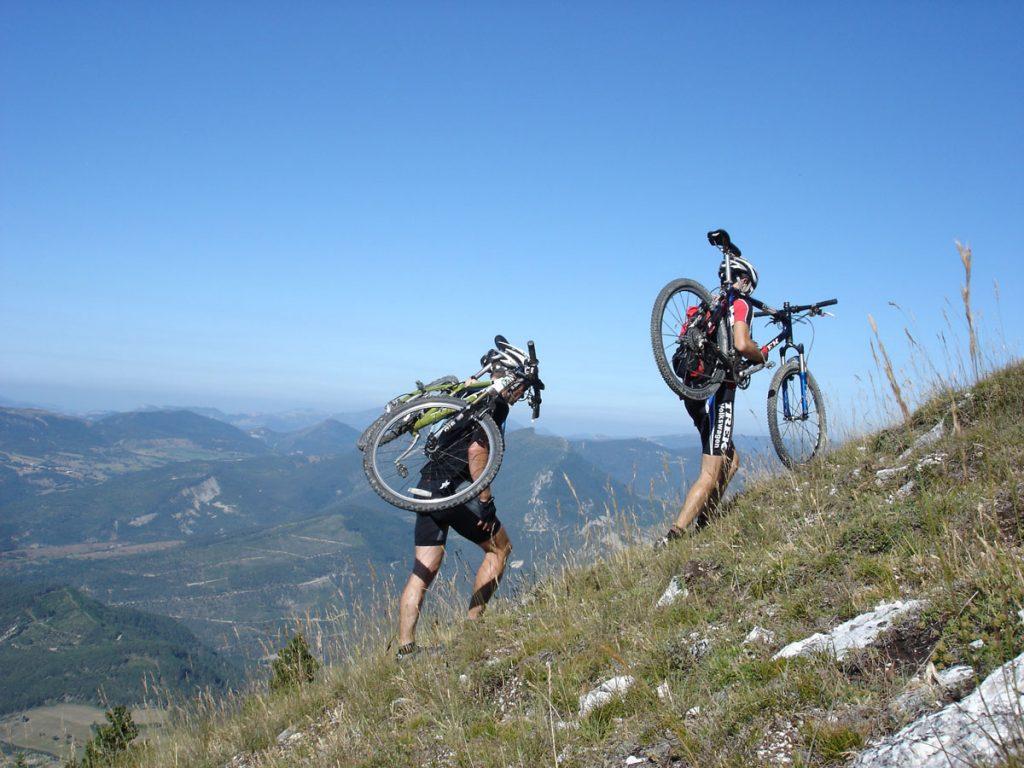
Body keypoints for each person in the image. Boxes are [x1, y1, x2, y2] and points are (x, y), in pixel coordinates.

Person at [395, 353, 526, 661]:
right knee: (500, 549)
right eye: (519, 386)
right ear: (506, 379)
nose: (520, 394)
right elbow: (477, 451)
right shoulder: (496, 405)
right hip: (446, 493)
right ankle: (473, 628)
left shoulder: (471, 396)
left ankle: (405, 648)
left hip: (425, 488)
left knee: (424, 568)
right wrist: (485, 502)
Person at [663, 255, 767, 541]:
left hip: (693, 390)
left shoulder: (712, 304)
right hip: (719, 392)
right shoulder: (740, 304)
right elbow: (742, 344)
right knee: (711, 470)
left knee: (731, 461)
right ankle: (675, 536)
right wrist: (762, 355)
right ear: (745, 281)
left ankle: (705, 521)